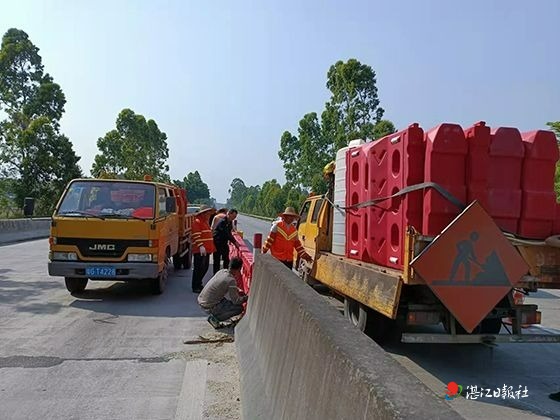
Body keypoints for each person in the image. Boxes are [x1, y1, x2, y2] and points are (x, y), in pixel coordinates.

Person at [198, 257, 248, 328]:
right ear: (239, 269)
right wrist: (246, 298)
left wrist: (237, 289)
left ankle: (215, 314)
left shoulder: (222, 271)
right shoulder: (231, 280)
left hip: (202, 300)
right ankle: (215, 318)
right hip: (209, 305)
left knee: (226, 301)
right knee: (239, 308)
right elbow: (236, 301)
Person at [191, 205, 216, 293]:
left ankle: (199, 283)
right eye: (208, 213)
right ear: (203, 214)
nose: (209, 215)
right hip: (200, 250)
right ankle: (195, 286)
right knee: (199, 268)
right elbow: (196, 235)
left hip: (206, 250)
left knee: (204, 267)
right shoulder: (197, 222)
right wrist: (201, 246)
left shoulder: (205, 222)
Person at [212, 209, 240, 274]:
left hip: (224, 243)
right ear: (228, 214)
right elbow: (226, 233)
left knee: (226, 259)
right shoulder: (222, 222)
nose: (233, 218)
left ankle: (225, 274)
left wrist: (235, 242)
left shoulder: (229, 222)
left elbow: (229, 233)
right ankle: (215, 275)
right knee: (217, 260)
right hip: (217, 243)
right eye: (233, 216)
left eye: (235, 217)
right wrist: (235, 242)